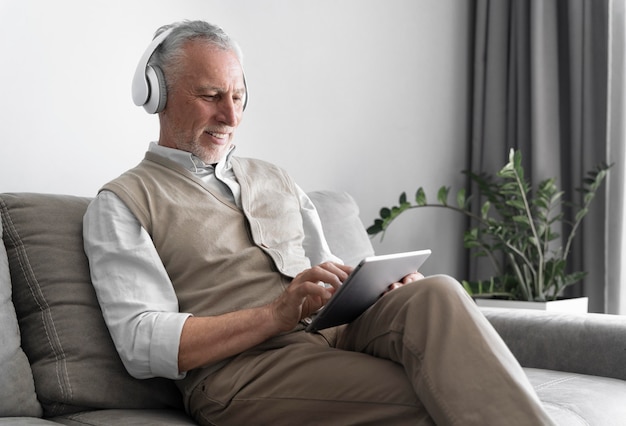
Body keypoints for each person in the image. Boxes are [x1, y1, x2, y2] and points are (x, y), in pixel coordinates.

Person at [83, 20, 554, 425]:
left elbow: (330, 268)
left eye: (239, 97)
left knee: (435, 292)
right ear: (157, 94)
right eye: (210, 96)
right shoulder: (125, 202)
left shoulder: (276, 178)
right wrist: (275, 314)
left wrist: (377, 287)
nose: (231, 115)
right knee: (444, 393)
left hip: (333, 336)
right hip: (243, 374)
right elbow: (141, 342)